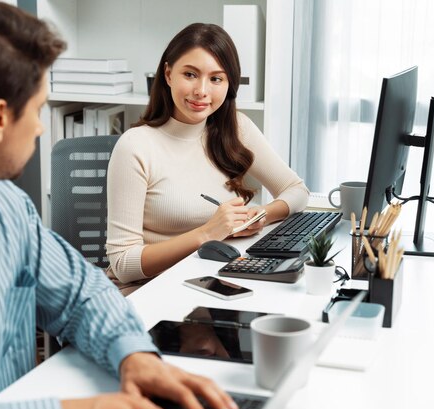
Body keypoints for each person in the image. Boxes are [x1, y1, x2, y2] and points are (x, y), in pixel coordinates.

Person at [0, 2, 239, 409]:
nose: (39, 127)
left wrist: (135, 357)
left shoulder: (8, 211)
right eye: (37, 110)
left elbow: (83, 296)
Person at [106, 23, 309, 289]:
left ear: (229, 84)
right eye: (190, 74)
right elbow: (123, 264)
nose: (202, 91)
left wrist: (260, 215)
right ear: (168, 74)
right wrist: (208, 233)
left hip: (213, 278)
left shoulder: (237, 128)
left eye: (216, 79)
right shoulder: (136, 146)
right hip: (149, 287)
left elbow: (297, 191)